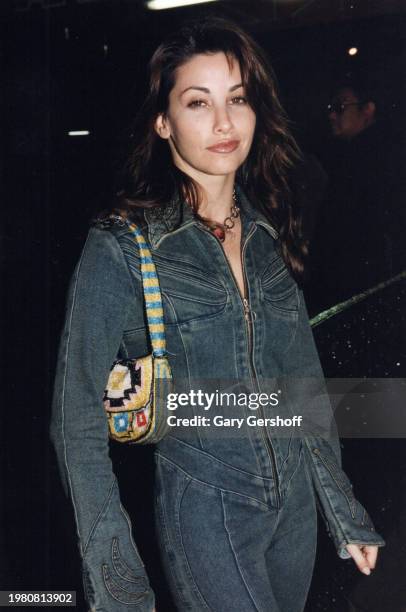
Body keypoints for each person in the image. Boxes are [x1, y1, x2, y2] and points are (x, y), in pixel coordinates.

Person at [50, 18, 385, 612]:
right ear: (163, 121)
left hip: (296, 514)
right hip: (208, 509)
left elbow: (299, 389)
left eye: (238, 99)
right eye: (197, 102)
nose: (225, 123)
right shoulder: (123, 246)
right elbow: (75, 423)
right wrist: (119, 584)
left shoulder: (266, 231)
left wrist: (344, 512)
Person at [308, 77, 405, 311]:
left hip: (367, 287)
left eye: (340, 107)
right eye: (331, 109)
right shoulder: (352, 156)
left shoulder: (375, 157)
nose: (332, 115)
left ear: (368, 110)